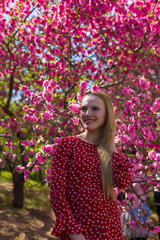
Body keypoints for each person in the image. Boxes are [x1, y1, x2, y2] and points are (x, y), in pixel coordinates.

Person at [50, 91, 132, 240]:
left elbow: (123, 181)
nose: (87, 113)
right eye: (83, 108)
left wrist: (111, 147)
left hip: (110, 228)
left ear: (107, 115)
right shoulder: (68, 145)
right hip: (79, 230)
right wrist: (74, 233)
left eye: (95, 109)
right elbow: (57, 193)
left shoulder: (109, 151)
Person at [121, 169, 152, 240]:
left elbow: (148, 194)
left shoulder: (126, 174)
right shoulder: (138, 176)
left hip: (136, 210)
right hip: (134, 210)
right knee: (139, 236)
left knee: (135, 236)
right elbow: (148, 194)